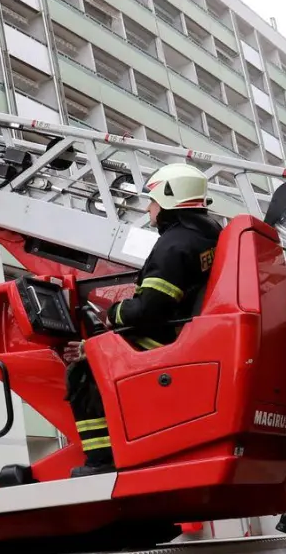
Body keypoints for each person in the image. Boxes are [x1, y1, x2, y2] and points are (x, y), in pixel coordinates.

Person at [65, 163, 223, 477]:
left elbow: (151, 308)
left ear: (168, 198)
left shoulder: (174, 243)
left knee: (83, 372)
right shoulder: (208, 233)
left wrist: (112, 315)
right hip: (189, 331)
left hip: (168, 336)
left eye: (152, 200)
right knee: (93, 351)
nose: (149, 208)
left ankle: (101, 460)